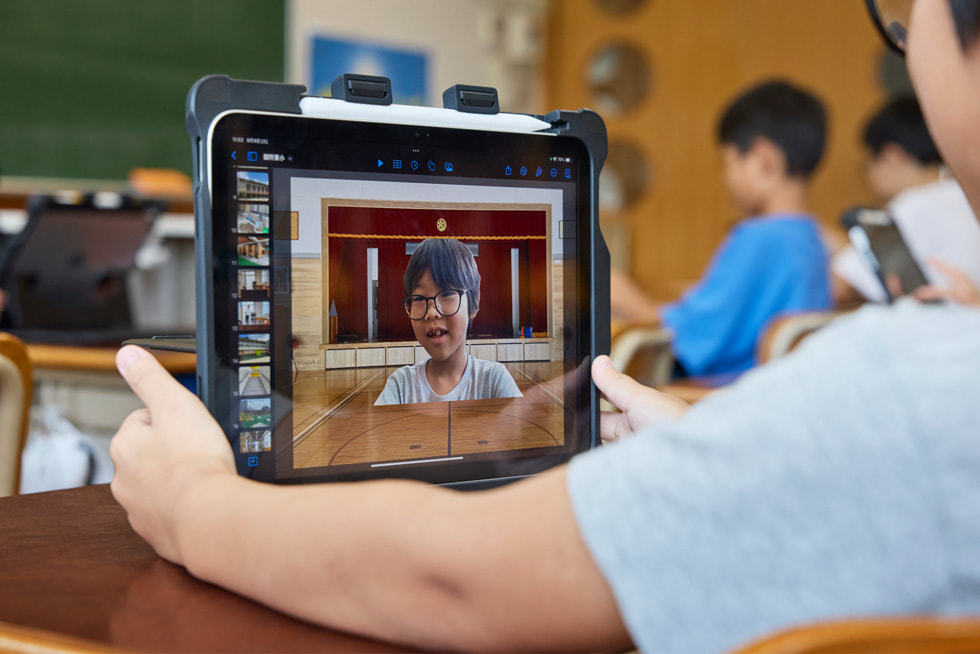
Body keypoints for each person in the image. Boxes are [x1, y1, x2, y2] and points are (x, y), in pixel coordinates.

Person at [109, 2, 980, 651]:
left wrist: (193, 503)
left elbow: (461, 580)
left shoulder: (923, 383)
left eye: (907, 16)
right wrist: (733, 451)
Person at [611, 80, 832, 377]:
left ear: (763, 160)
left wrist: (620, 294)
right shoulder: (811, 237)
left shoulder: (759, 239)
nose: (725, 177)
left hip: (727, 399)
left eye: (727, 162)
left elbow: (684, 335)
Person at [832, 95, 980, 304]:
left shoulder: (916, 204)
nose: (868, 177)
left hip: (942, 330)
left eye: (869, 164)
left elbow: (840, 284)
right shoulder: (965, 194)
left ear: (893, 156)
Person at [373, 238, 522, 405]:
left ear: (473, 304)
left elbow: (520, 427)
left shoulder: (495, 380)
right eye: (419, 298)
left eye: (446, 294)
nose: (431, 312)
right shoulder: (401, 386)